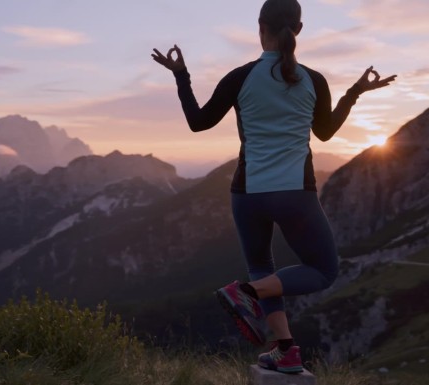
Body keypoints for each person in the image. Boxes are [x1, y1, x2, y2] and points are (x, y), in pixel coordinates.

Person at [152, 0, 396, 374]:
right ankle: (248, 298)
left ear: (260, 27)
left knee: (262, 268)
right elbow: (326, 133)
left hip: (246, 193)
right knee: (323, 270)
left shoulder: (241, 76)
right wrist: (356, 92)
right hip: (295, 193)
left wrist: (181, 74)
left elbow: (198, 123)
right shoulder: (314, 80)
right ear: (298, 30)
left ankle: (283, 347)